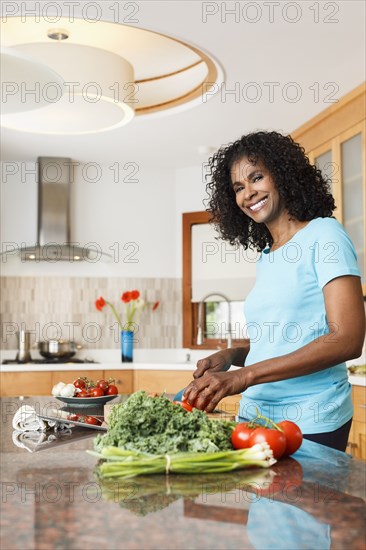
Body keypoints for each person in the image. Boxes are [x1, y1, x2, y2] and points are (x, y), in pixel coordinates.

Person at [183, 131, 365, 451]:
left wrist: (243, 376)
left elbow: (348, 339)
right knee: (264, 504)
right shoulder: (267, 257)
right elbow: (279, 344)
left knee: (298, 502)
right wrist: (232, 356)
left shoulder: (325, 235)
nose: (249, 193)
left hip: (307, 420)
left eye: (257, 178)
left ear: (283, 176)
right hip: (254, 417)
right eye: (239, 188)